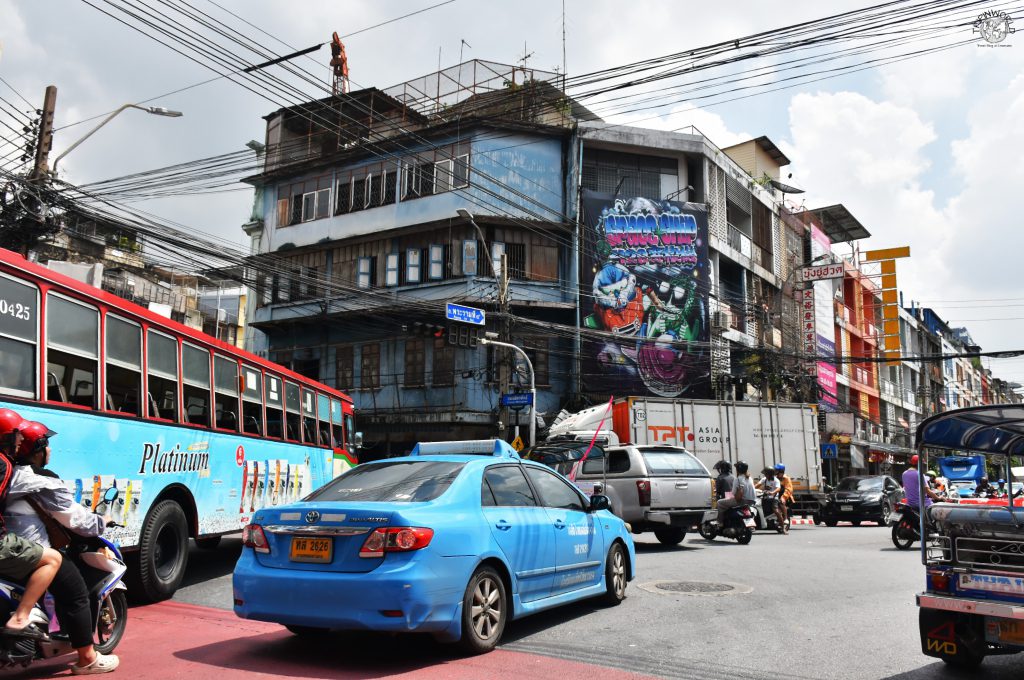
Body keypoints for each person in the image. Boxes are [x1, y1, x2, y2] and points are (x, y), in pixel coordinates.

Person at [5, 421, 118, 674]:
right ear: (39, 448)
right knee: (76, 592)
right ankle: (87, 659)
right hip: (29, 550)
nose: (51, 451)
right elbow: (74, 519)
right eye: (48, 445)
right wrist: (102, 522)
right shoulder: (42, 480)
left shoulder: (7, 473)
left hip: (7, 546)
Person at [0, 409, 62, 638]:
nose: (20, 440)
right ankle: (20, 616)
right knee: (53, 559)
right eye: (16, 434)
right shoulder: (4, 465)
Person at [756, 467, 786, 532]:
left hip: (774, 498)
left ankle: (783, 527)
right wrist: (752, 488)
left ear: (770, 474)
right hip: (765, 497)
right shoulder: (764, 479)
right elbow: (757, 485)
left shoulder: (776, 480)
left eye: (766, 474)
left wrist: (773, 492)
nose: (765, 475)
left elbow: (778, 489)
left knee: (776, 511)